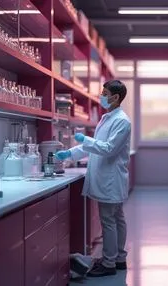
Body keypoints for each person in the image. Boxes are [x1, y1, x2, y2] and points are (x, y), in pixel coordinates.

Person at [55, 80, 131, 277]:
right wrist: (69, 153)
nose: (102, 96)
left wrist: (85, 140)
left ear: (115, 97)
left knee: (109, 220)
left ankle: (108, 263)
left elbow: (108, 149)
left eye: (105, 93)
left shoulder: (122, 121)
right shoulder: (108, 118)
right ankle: (119, 258)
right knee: (117, 218)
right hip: (108, 177)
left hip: (111, 179)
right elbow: (93, 146)